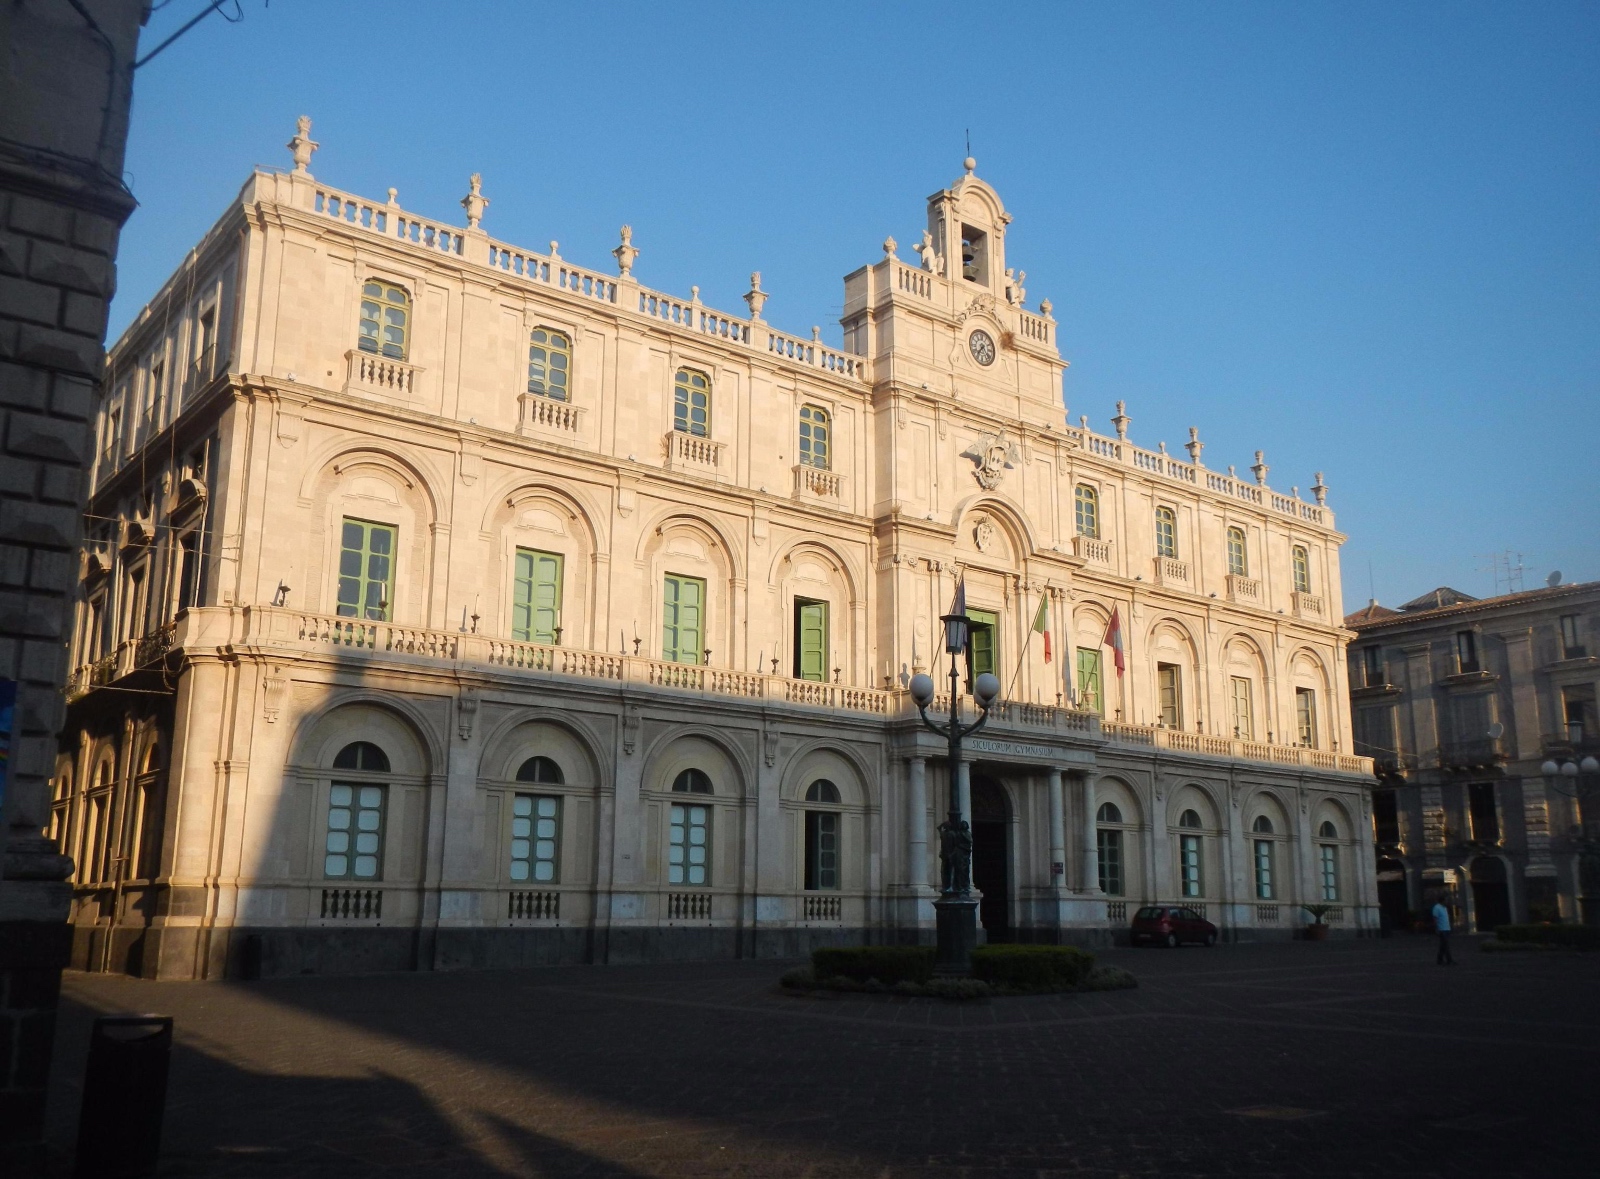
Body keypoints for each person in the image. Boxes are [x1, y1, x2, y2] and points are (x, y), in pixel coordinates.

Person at [1432, 898, 1455, 965]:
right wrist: (1436, 928)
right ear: (1443, 901)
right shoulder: (1437, 908)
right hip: (1442, 929)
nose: (1447, 902)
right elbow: (1435, 919)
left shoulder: (1444, 908)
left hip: (1446, 928)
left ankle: (1440, 960)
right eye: (1446, 900)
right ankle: (1449, 960)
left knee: (1443, 945)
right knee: (1446, 945)